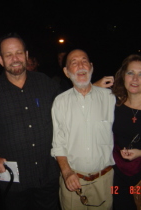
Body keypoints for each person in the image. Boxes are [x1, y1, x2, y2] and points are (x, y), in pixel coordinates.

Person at [0, 33, 61, 210]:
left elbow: (68, 106)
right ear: (0, 60)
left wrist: (92, 88)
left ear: (26, 55)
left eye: (19, 53)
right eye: (8, 55)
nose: (15, 59)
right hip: (12, 176)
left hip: (47, 173)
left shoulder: (45, 83)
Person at [51, 49, 115, 210]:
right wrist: (66, 173)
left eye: (84, 61)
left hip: (104, 181)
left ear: (91, 67)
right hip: (73, 180)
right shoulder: (60, 102)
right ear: (66, 72)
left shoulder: (110, 98)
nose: (80, 65)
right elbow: (58, 143)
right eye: (74, 62)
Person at [112, 54, 141, 210]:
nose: (135, 78)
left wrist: (139, 153)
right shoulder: (114, 105)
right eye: (131, 73)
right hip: (117, 176)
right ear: (123, 75)